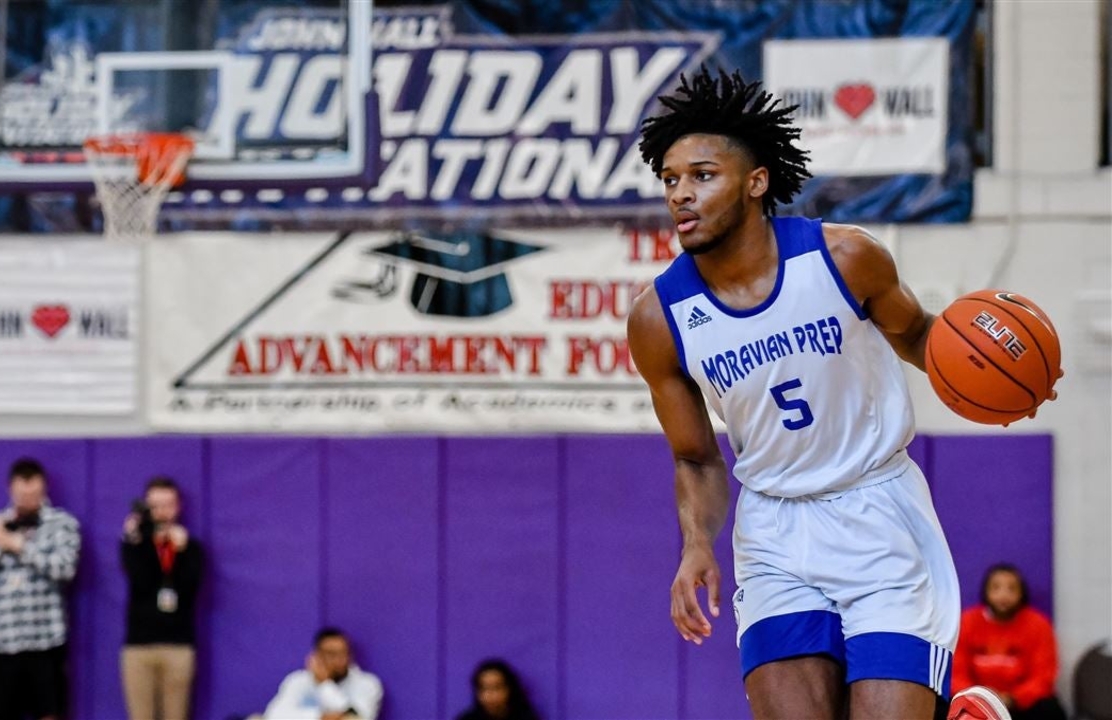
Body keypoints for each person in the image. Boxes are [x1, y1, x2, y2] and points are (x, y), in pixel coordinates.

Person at [626, 68, 1058, 720]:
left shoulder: (846, 258)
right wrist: (695, 544)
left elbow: (919, 335)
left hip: (879, 512)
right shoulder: (658, 319)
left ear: (756, 182)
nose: (681, 193)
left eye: (702, 175)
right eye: (670, 179)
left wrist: (998, 371)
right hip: (774, 529)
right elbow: (695, 458)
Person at [0, 457, 80, 720]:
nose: (28, 499)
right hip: (3, 640)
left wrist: (21, 547)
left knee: (49, 712)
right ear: (10, 489)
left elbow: (65, 569)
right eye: (22, 493)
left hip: (45, 639)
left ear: (44, 489)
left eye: (34, 493)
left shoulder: (62, 524)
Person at [120, 477, 204, 720]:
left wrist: (182, 552)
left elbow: (191, 586)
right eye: (155, 506)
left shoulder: (191, 547)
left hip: (177, 645)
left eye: (167, 505)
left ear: (177, 507)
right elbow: (139, 579)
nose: (162, 512)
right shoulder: (136, 543)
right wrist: (135, 541)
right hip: (139, 647)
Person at [952, 565, 1068, 720]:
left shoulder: (1038, 624)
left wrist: (1012, 698)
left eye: (1011, 589)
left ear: (1021, 593)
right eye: (996, 588)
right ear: (986, 591)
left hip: (1020, 704)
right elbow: (955, 674)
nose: (1003, 595)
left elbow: (1043, 676)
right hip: (976, 703)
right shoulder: (966, 622)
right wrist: (982, 698)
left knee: (1050, 710)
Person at [263, 627, 383, 720]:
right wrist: (320, 717)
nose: (340, 660)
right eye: (332, 654)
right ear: (317, 656)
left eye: (344, 653)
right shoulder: (298, 680)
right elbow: (273, 715)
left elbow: (356, 718)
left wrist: (324, 684)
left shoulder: (367, 683)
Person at [454, 659, 540, 720]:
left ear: (509, 689)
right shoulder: (467, 719)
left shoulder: (526, 718)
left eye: (496, 688)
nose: (490, 695)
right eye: (484, 688)